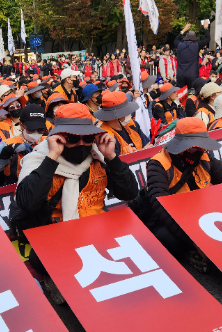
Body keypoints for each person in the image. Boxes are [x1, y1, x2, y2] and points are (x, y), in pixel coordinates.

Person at [9, 103, 138, 300]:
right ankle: (59, 279)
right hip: (60, 234)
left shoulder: (99, 155)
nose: (80, 144)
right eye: (72, 138)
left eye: (87, 138)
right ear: (58, 136)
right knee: (40, 258)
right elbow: (26, 201)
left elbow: (129, 192)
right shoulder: (39, 159)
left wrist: (111, 157)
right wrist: (52, 157)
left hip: (98, 227)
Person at [144, 118, 222, 266]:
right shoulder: (159, 164)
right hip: (170, 218)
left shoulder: (206, 157)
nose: (199, 151)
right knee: (168, 239)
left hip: (198, 212)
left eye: (203, 147)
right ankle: (189, 254)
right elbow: (161, 207)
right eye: (193, 148)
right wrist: (193, 242)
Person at [0, 105, 48, 184]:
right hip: (15, 187)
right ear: (21, 125)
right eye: (31, 129)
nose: (36, 133)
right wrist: (7, 151)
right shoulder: (8, 143)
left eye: (40, 130)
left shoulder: (49, 141)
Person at [174, 22, 210, 90]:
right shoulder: (196, 45)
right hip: (192, 75)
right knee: (192, 94)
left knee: (181, 93)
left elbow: (175, 40)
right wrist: (206, 27)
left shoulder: (179, 45)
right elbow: (208, 38)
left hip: (180, 75)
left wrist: (183, 30)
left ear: (186, 38)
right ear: (194, 39)